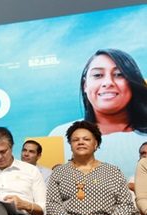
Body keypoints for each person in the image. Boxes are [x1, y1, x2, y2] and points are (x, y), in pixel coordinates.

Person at [49, 49, 147, 178]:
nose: (108, 83)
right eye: (98, 75)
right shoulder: (59, 135)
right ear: (85, 85)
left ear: (132, 83)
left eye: (119, 74)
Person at [47, 121, 135, 215]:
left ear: (96, 144)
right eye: (75, 140)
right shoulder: (59, 172)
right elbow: (52, 204)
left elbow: (126, 205)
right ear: (70, 145)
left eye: (86, 139)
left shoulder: (113, 171)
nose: (81, 142)